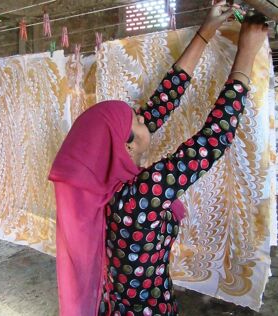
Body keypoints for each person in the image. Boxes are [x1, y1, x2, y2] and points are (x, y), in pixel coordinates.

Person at [48, 1, 268, 315]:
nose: (143, 115)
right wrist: (246, 52)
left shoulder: (108, 189)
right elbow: (213, 140)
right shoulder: (141, 196)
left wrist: (206, 32)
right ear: (124, 147)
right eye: (135, 120)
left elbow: (160, 104)